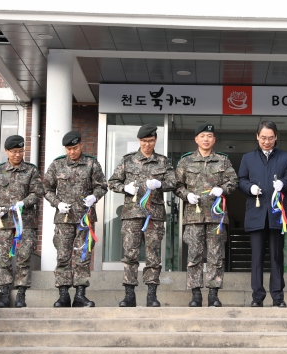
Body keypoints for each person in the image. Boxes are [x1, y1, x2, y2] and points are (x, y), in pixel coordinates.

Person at [108, 124, 176, 307]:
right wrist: (125, 188)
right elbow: (112, 182)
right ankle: (129, 295)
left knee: (153, 256)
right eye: (144, 141)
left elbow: (174, 183)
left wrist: (160, 185)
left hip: (154, 216)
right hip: (132, 215)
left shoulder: (163, 161)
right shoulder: (128, 160)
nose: (147, 144)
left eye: (151, 141)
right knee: (130, 255)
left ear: (155, 140)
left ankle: (151, 296)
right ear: (139, 141)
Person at [174, 123, 238, 307]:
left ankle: (213, 295)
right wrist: (186, 195)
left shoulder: (223, 160)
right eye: (202, 136)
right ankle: (195, 295)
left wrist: (223, 189)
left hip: (216, 217)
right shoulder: (186, 161)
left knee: (215, 256)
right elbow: (176, 185)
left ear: (214, 139)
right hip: (193, 217)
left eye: (209, 136)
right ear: (196, 139)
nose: (206, 139)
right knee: (194, 256)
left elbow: (234, 181)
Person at [43, 131, 108, 308]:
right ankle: (63, 295)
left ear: (81, 146)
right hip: (63, 219)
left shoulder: (91, 163)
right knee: (63, 256)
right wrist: (57, 203)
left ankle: (80, 295)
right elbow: (46, 189)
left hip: (84, 219)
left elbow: (102, 186)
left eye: (75, 148)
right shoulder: (57, 165)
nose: (72, 152)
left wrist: (94, 197)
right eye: (69, 149)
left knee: (83, 257)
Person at [238, 120, 287, 307]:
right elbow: (241, 180)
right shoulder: (248, 158)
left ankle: (278, 297)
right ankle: (257, 297)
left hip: (277, 214)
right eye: (263, 137)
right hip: (256, 213)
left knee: (276, 257)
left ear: (276, 137)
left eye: (270, 138)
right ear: (257, 136)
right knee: (256, 258)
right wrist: (249, 187)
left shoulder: (286, 157)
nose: (267, 141)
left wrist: (283, 183)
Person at [0, 135, 44, 308]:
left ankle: (21, 295)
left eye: (20, 151)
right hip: (4, 223)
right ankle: (4, 295)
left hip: (25, 223)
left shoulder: (31, 171)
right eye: (14, 151)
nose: (17, 155)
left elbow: (38, 192)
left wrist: (24, 203)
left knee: (24, 258)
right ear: (6, 151)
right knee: (4, 259)